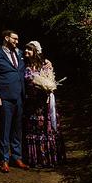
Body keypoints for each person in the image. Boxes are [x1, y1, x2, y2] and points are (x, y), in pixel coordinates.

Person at [22, 40, 66, 168]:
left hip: (43, 102)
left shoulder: (45, 65)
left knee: (47, 127)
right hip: (32, 103)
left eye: (29, 49)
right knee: (34, 128)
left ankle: (50, 158)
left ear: (36, 51)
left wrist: (48, 86)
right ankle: (36, 159)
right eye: (25, 50)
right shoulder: (23, 65)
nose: (26, 52)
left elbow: (50, 79)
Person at [0, 29, 26, 172]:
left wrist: (46, 62)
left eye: (17, 39)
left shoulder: (20, 54)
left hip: (20, 97)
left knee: (17, 129)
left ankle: (17, 157)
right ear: (6, 38)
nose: (17, 41)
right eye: (14, 39)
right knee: (5, 129)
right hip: (4, 99)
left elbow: (35, 59)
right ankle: (4, 160)